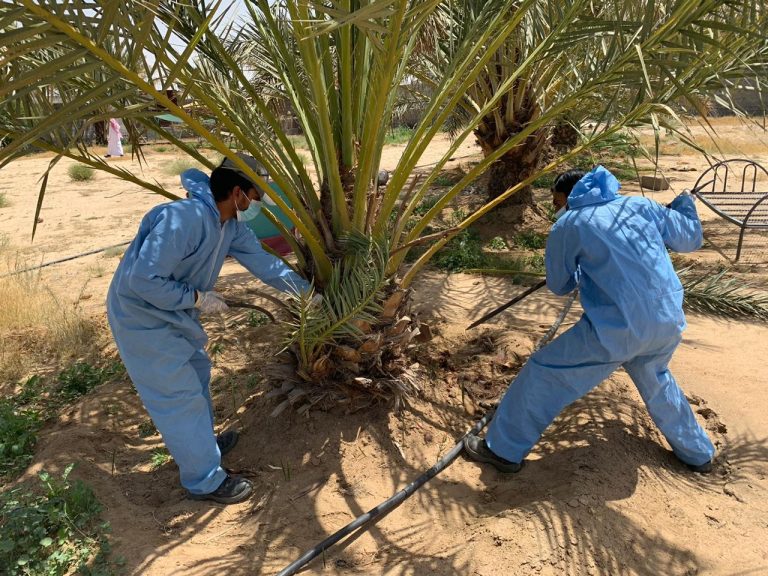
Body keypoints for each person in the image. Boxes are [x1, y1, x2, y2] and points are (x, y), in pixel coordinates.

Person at [464, 166, 715, 475]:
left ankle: (502, 450)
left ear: (569, 195)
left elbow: (560, 285)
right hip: (667, 320)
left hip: (617, 329)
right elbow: (690, 238)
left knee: (544, 372)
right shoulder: (639, 205)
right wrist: (684, 203)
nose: (555, 209)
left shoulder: (569, 224)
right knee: (656, 378)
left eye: (556, 202)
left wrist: (581, 272)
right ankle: (698, 454)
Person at [107, 153, 310, 504]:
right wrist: (197, 298)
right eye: (255, 197)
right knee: (178, 395)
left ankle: (201, 447)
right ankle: (204, 480)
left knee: (197, 375)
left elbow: (265, 264)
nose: (256, 205)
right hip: (141, 317)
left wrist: (308, 294)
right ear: (237, 193)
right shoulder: (182, 219)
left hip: (176, 313)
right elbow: (142, 281)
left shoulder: (229, 226)